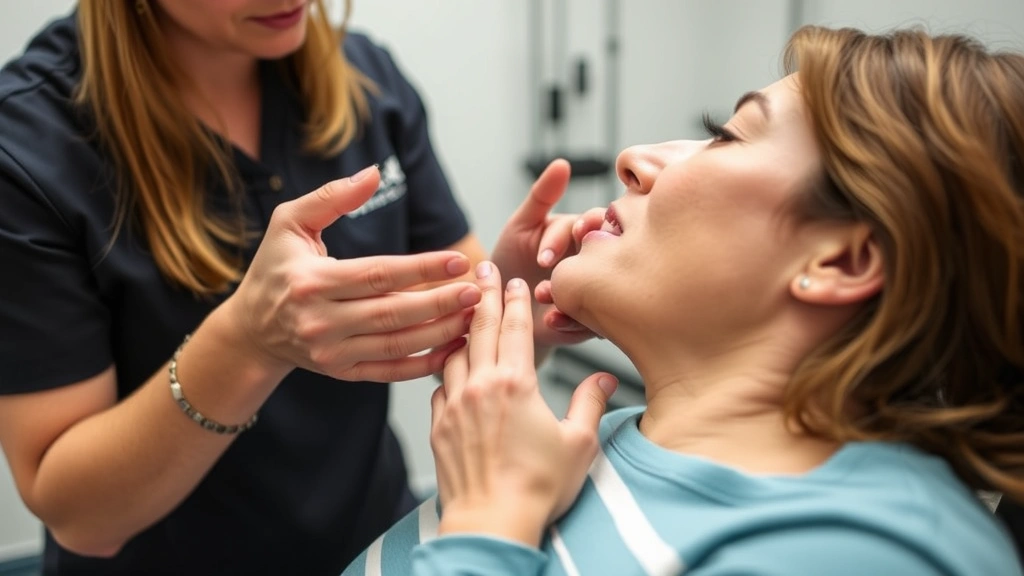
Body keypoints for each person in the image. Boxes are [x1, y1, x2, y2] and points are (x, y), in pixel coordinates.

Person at [344, 25, 1024, 575]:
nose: (635, 157)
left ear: (841, 259)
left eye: (727, 136)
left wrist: (489, 522)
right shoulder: (610, 440)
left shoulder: (868, 551)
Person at [0, 1, 599, 575]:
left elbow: (461, 325)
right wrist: (246, 342)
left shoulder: (367, 79)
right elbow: (80, 517)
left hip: (376, 546)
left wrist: (514, 297)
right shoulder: (31, 145)